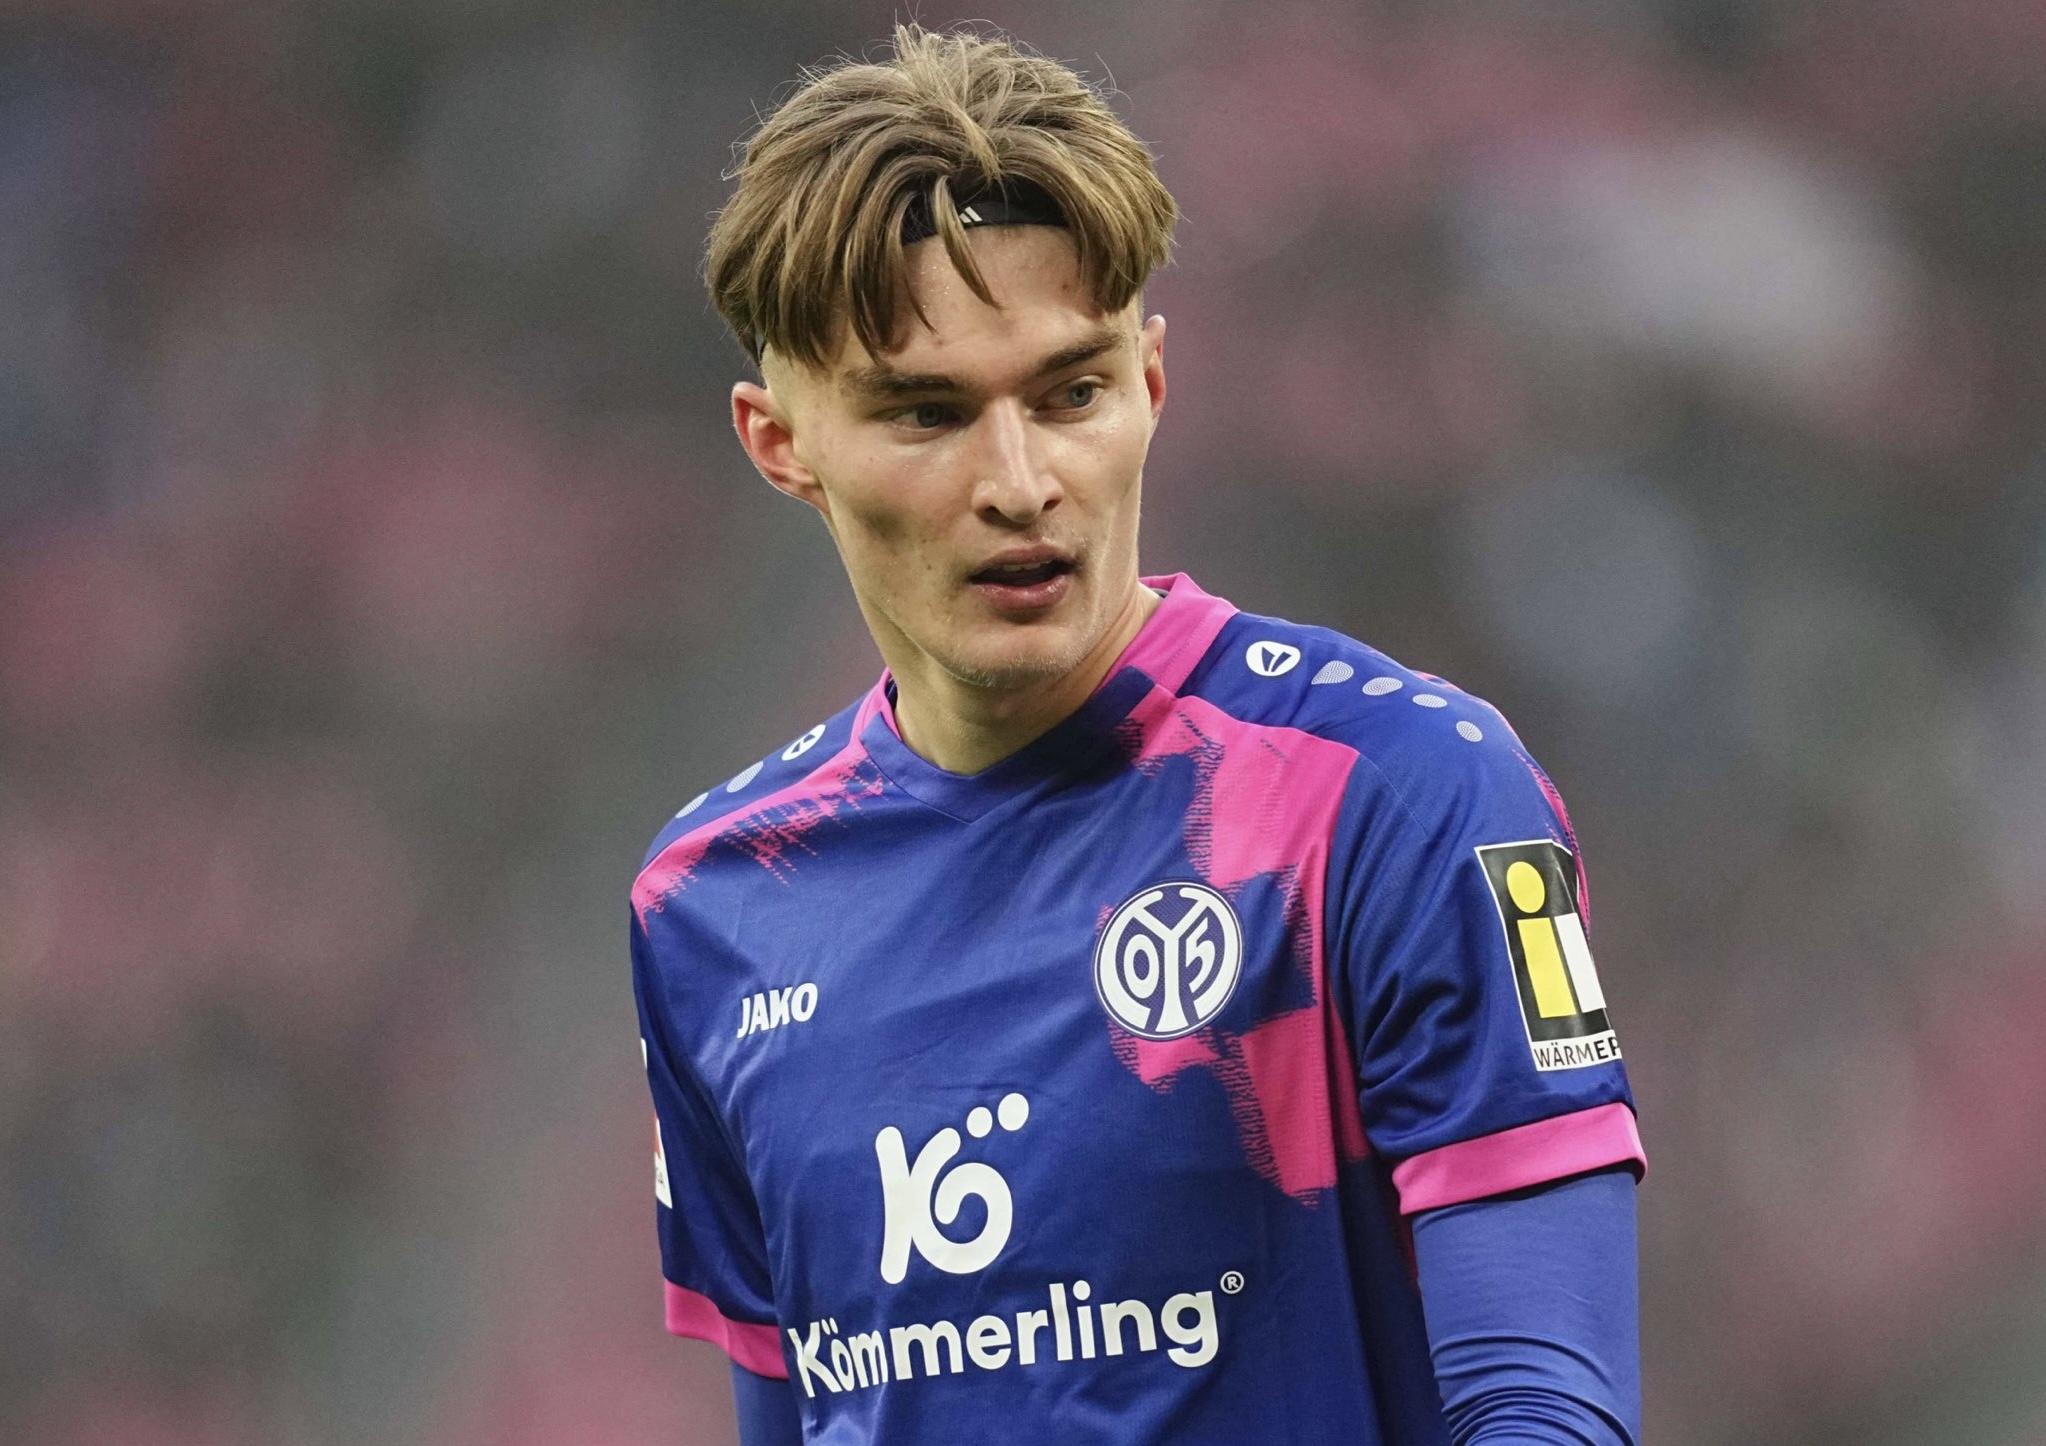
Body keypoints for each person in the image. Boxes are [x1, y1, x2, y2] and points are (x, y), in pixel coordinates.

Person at [630, 24, 1644, 1445]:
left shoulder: (1398, 795)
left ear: (1151, 381)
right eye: (925, 413)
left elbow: (1545, 1407)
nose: (1020, 480)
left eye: (1071, 393)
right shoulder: (715, 904)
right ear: (778, 442)